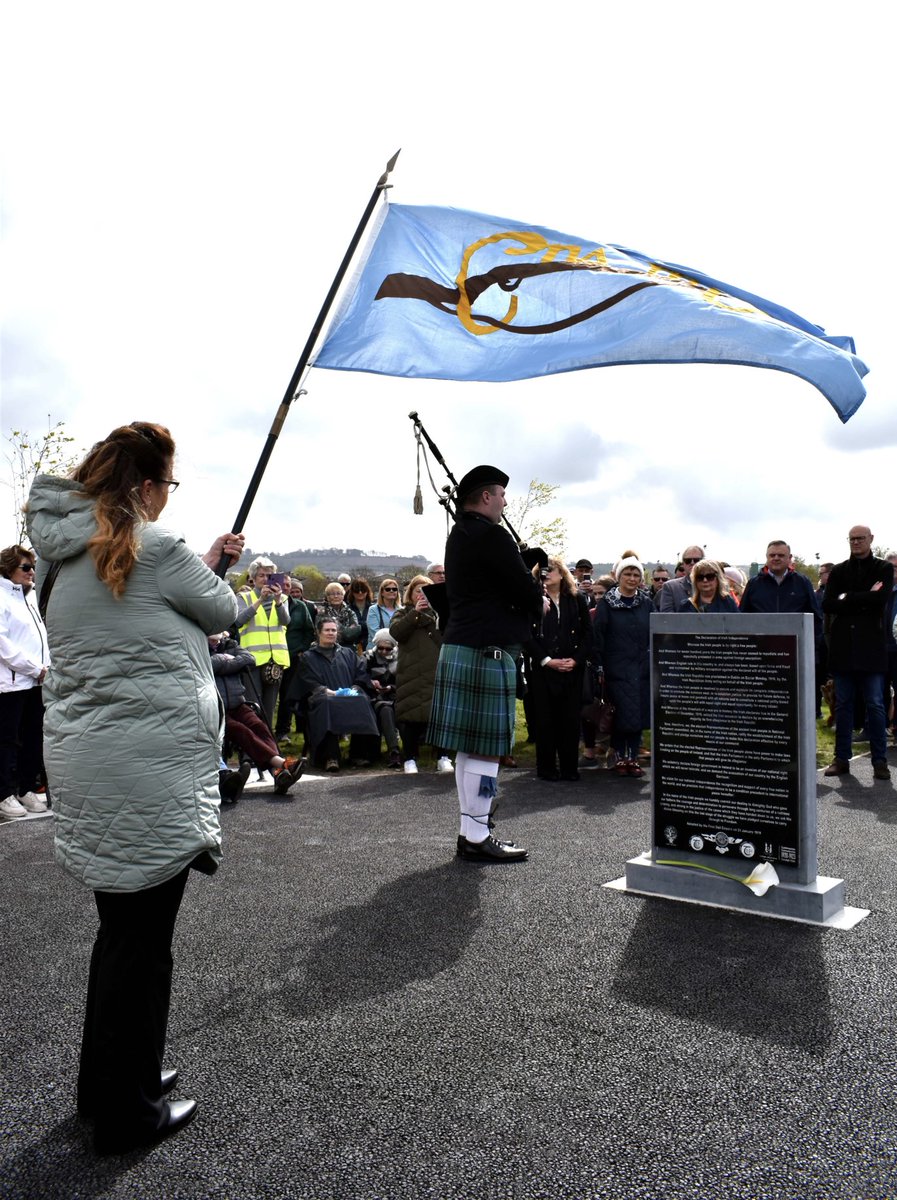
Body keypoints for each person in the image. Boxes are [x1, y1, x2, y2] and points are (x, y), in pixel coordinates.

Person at [26, 421, 243, 1155]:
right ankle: (130, 1111)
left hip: (89, 762)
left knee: (120, 934)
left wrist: (201, 560)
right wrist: (218, 562)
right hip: (149, 768)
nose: (166, 498)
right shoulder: (161, 549)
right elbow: (225, 610)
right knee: (144, 944)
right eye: (168, 485)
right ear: (148, 487)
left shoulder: (59, 558)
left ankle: (113, 1081)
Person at [427, 465, 544, 861]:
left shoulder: (460, 535)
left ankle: (470, 830)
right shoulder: (492, 535)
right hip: (486, 650)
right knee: (487, 750)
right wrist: (538, 594)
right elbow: (523, 590)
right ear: (487, 497)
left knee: (469, 750)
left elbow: (490, 583)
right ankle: (477, 836)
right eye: (502, 494)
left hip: (462, 644)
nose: (506, 501)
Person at [822, 525, 894, 779]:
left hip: (871, 649)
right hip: (844, 649)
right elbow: (828, 603)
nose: (856, 542)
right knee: (842, 705)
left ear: (871, 539)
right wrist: (861, 596)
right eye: (852, 539)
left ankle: (879, 761)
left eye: (860, 538)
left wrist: (847, 598)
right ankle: (841, 759)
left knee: (875, 704)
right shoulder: (840, 570)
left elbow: (880, 600)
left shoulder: (883, 568)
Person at [209, 634, 304, 793]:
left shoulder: (230, 644)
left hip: (238, 704)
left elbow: (250, 659)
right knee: (241, 730)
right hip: (216, 709)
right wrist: (225, 660)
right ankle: (281, 766)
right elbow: (207, 666)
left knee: (260, 725)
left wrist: (224, 664)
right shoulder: (199, 647)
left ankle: (278, 773)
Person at [527, 556, 593, 781]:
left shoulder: (577, 599)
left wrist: (576, 660)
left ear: (562, 573)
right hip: (543, 670)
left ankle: (569, 768)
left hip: (572, 669)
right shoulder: (532, 601)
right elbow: (526, 636)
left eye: (551, 569)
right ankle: (546, 769)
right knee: (545, 721)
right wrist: (546, 660)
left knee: (570, 721)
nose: (547, 573)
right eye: (542, 570)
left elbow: (588, 634)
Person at [0, 544, 51, 819]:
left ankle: (25, 787)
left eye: (33, 567)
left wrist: (45, 667)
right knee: (8, 739)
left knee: (33, 736)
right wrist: (34, 667)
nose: (32, 572)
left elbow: (38, 637)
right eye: (26, 567)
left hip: (34, 680)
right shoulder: (2, 596)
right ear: (9, 568)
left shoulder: (27, 597)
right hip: (10, 683)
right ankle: (4, 793)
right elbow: (3, 643)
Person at [290, 618, 379, 772]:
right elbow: (306, 680)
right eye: (327, 630)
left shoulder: (348, 653)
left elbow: (360, 673)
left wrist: (355, 688)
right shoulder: (308, 657)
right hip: (322, 696)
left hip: (348, 695)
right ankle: (331, 757)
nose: (331, 633)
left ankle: (358, 754)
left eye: (333, 630)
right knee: (326, 704)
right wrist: (326, 691)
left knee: (362, 700)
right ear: (318, 633)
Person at [592, 556, 652, 777]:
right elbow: (597, 636)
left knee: (637, 715)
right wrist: (599, 666)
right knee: (619, 715)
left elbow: (654, 631)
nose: (632, 578)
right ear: (619, 577)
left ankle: (633, 757)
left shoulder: (647, 602)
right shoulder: (607, 603)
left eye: (636, 574)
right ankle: (618, 756)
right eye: (627, 574)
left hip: (641, 668)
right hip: (616, 668)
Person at [390, 574, 453, 774]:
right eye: (419, 591)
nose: (422, 595)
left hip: (436, 670)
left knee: (440, 715)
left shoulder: (441, 614)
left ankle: (443, 757)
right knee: (409, 716)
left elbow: (446, 638)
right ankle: (409, 759)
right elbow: (396, 633)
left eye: (426, 591)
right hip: (411, 671)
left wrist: (431, 617)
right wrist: (415, 614)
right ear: (411, 593)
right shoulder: (403, 613)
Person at [234, 557, 290, 728]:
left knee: (269, 707)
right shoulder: (243, 597)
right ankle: (250, 749)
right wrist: (260, 600)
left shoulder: (283, 599)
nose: (266, 579)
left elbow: (285, 621)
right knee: (253, 706)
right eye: (261, 576)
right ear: (253, 578)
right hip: (252, 660)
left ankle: (267, 745)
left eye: (269, 575)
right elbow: (238, 621)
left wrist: (278, 600)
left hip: (275, 660)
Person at [364, 628, 402, 766]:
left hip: (396, 696)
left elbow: (405, 681)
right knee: (386, 709)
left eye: (388, 648)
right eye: (381, 648)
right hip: (375, 698)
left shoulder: (401, 658)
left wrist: (392, 687)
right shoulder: (368, 657)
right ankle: (394, 751)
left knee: (391, 709)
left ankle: (397, 751)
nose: (384, 651)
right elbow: (361, 676)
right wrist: (371, 682)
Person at [656, 544, 705, 611]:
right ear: (683, 564)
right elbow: (667, 618)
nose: (692, 563)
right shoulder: (670, 587)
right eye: (688, 560)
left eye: (696, 560)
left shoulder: (713, 585)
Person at [317, 581, 363, 649]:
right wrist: (346, 630)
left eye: (339, 593)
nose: (336, 596)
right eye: (332, 594)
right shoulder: (322, 611)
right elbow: (321, 632)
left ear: (343, 596)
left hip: (348, 649)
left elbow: (351, 634)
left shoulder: (350, 612)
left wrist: (335, 623)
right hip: (327, 648)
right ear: (327, 597)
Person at [367, 578, 401, 643]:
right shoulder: (373, 610)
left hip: (397, 650)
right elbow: (375, 633)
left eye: (394, 589)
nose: (391, 591)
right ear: (382, 593)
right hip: (378, 648)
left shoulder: (402, 610)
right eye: (388, 589)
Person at [347, 578, 374, 650]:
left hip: (370, 646)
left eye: (363, 589)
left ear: (367, 591)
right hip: (351, 647)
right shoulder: (346, 609)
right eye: (356, 590)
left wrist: (357, 626)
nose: (360, 592)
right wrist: (366, 625)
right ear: (352, 592)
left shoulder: (374, 609)